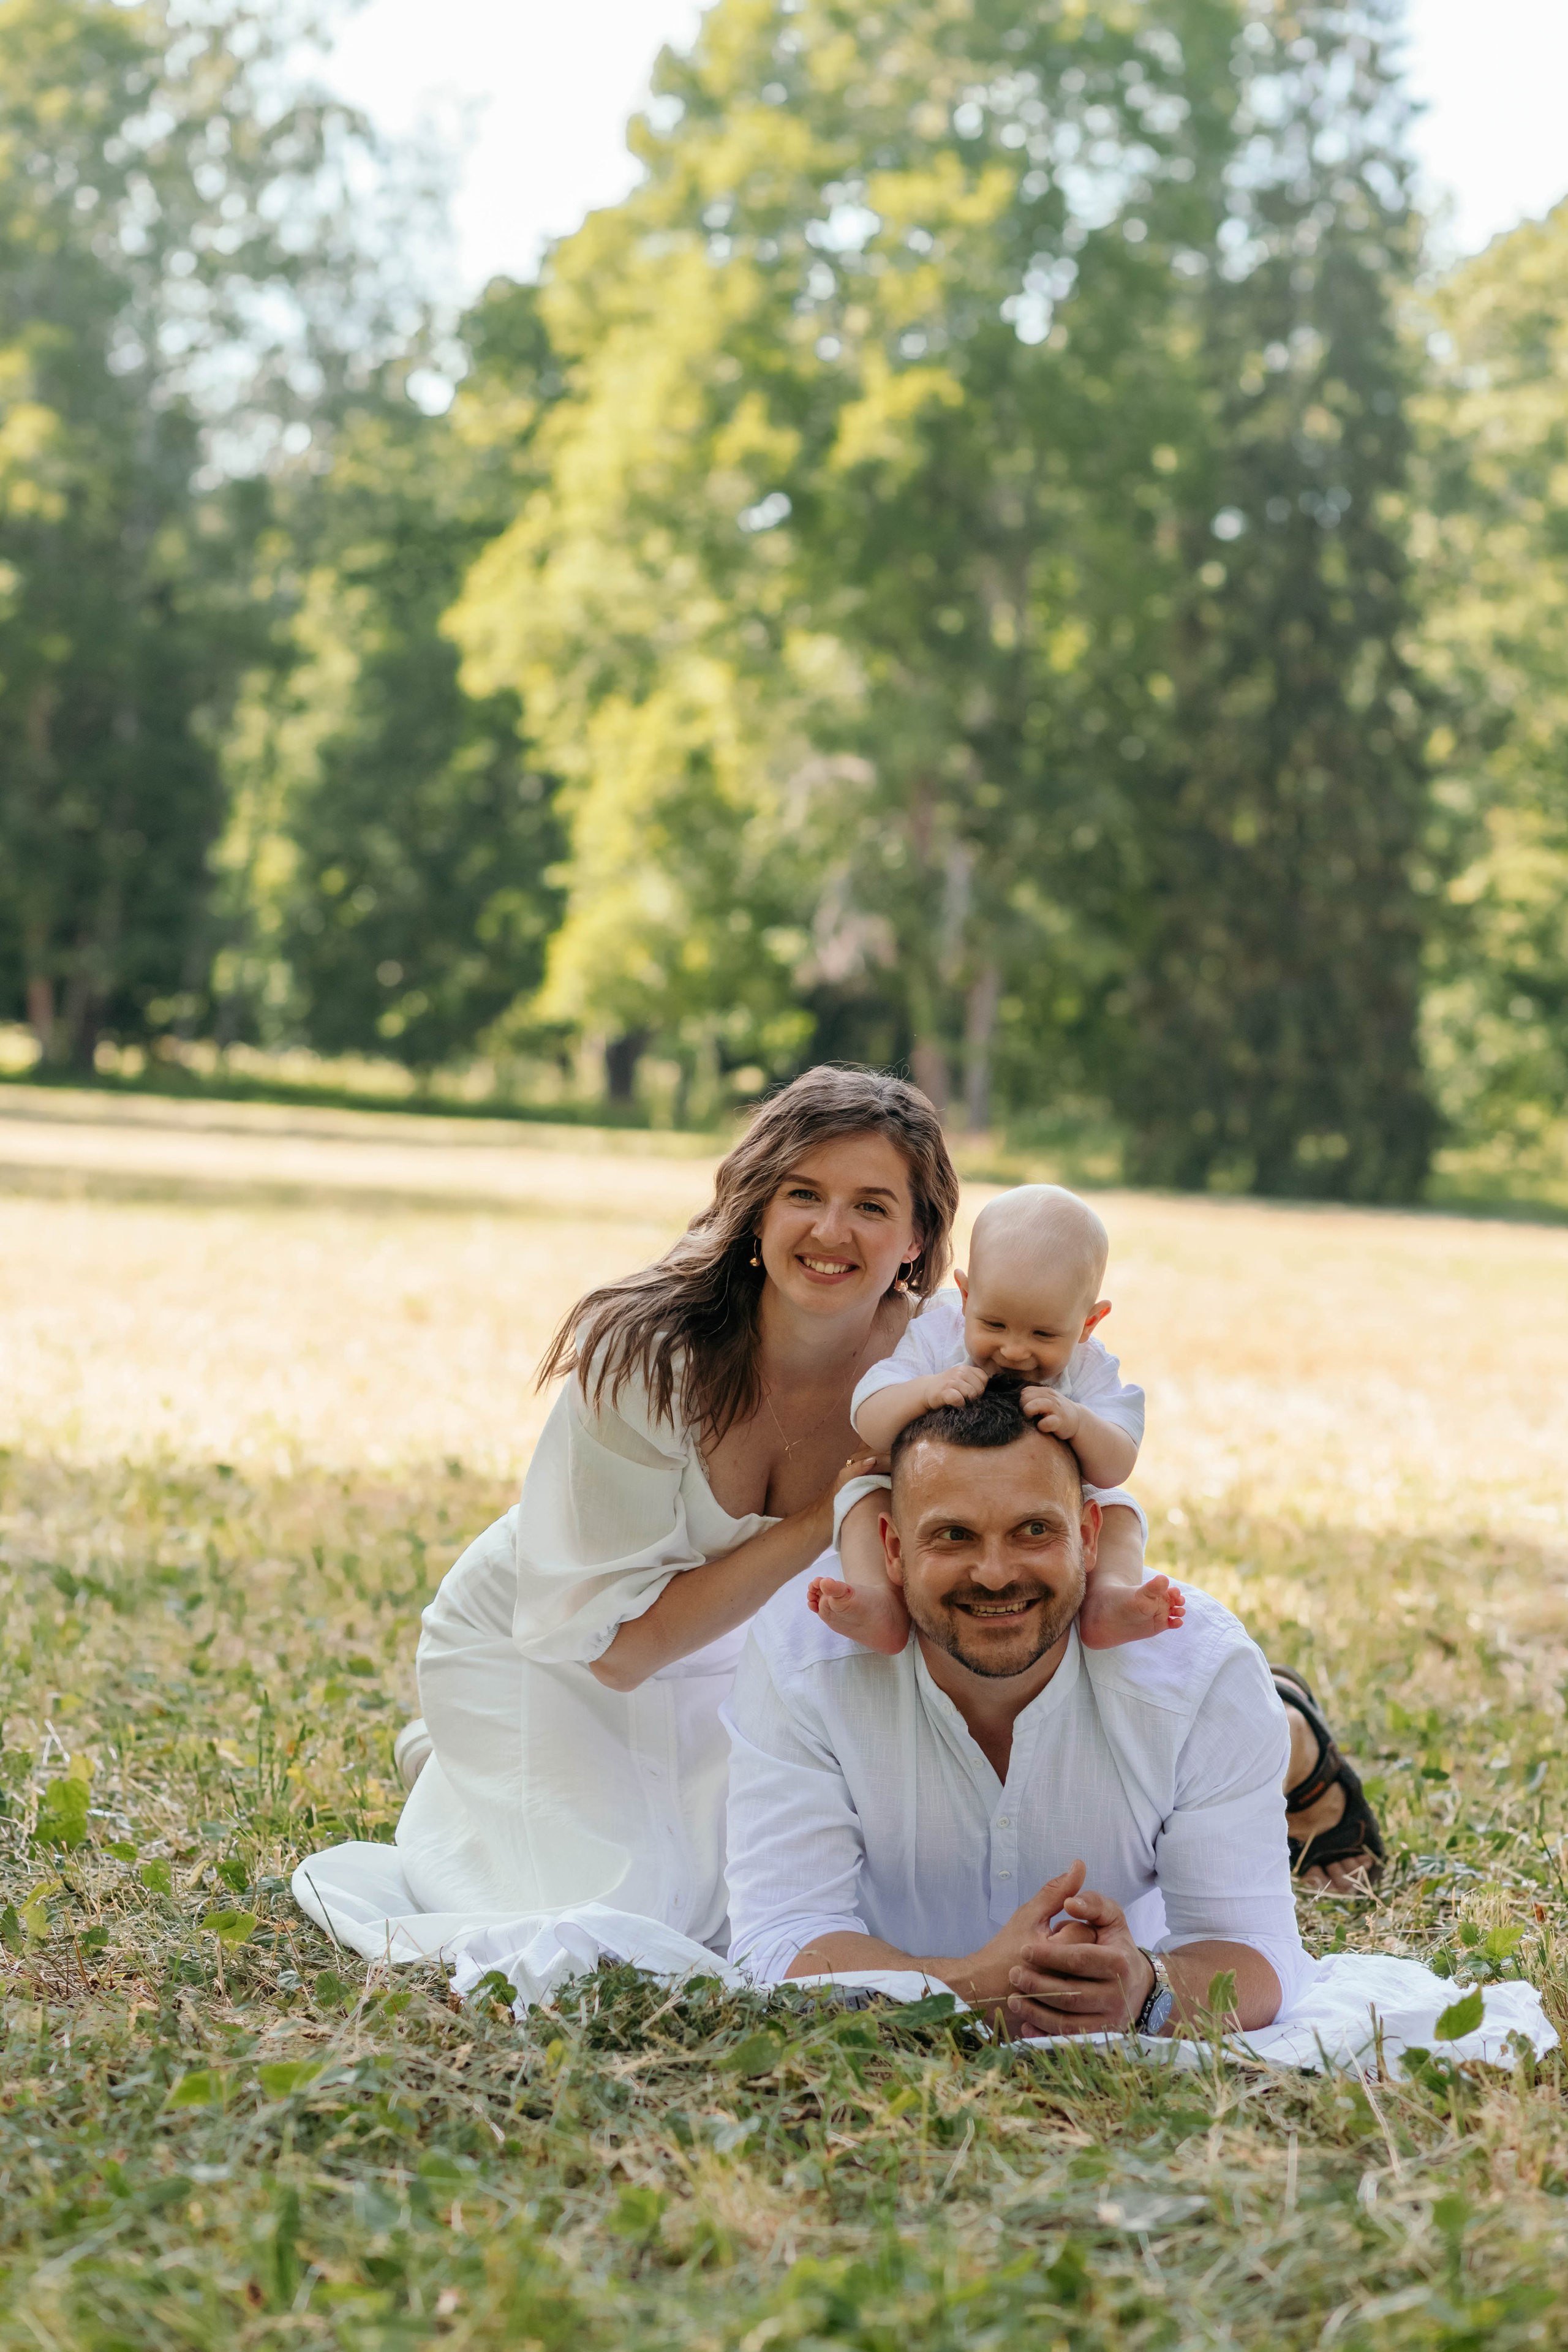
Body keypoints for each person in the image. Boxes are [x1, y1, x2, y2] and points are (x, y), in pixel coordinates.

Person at [293, 1066, 961, 1957]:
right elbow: (622, 1649)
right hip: (557, 1639)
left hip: (729, 1657)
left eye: (873, 1206)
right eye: (804, 1194)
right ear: (758, 1211)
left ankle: (489, 1784)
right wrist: (827, 1512)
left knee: (764, 1910)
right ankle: (459, 1772)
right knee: (628, 1925)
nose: (831, 1231)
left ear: (917, 1237)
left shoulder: (935, 1355)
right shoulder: (651, 1354)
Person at [723, 1377, 1316, 2033]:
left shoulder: (1202, 1672)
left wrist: (1146, 1989)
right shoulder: (802, 1656)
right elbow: (778, 1941)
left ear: (1090, 1537)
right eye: (953, 1536)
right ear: (891, 1550)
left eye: (1034, 1530)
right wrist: (977, 1985)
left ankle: (1297, 1737)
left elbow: (1257, 1953)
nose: (996, 1573)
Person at [809, 1183, 1183, 1657]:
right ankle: (878, 1601)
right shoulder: (937, 1336)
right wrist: (926, 1390)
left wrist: (1079, 1422)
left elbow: (1117, 1462)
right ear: (966, 1296)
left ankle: (1108, 1599)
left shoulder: (1091, 1368)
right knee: (863, 1495)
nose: (1013, 1350)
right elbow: (869, 1416)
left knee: (1118, 1510)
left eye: (1044, 1333)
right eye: (994, 1325)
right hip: (938, 1503)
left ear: (1088, 1324)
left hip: (1041, 1506)